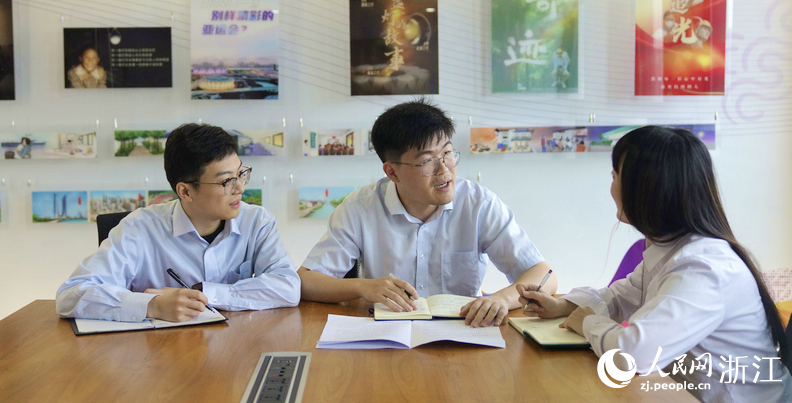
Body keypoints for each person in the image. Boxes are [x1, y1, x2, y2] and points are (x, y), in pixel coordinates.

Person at [518, 126, 791, 401]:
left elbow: (633, 355)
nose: (611, 187)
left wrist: (588, 322)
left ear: (646, 189)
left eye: (615, 176)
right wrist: (564, 306)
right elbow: (620, 297)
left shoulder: (703, 268)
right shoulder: (670, 247)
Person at [298, 98, 555, 328]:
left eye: (447, 153)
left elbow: (545, 276)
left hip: (464, 334)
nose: (444, 170)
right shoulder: (359, 208)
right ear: (392, 172)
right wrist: (363, 287)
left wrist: (502, 299)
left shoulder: (479, 204)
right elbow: (306, 281)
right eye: (427, 161)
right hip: (390, 336)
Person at [56, 123, 300, 322]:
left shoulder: (257, 221)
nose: (240, 188)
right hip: (161, 355)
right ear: (185, 191)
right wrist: (152, 305)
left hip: (234, 350)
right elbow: (70, 296)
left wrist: (206, 293)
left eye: (241, 174)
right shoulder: (139, 229)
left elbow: (288, 287)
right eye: (227, 181)